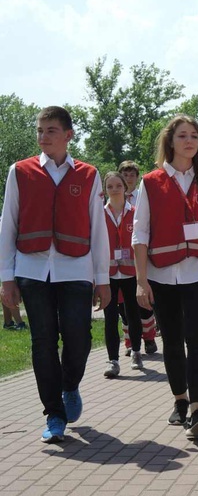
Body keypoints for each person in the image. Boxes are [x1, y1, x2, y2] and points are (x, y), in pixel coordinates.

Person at [0, 106, 111, 443]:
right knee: (42, 342)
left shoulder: (89, 175)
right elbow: (8, 224)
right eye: (40, 130)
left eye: (50, 130)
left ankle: (70, 385)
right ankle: (54, 414)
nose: (43, 137)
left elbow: (98, 230)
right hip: (32, 270)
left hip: (76, 268)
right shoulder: (20, 171)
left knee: (79, 338)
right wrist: (6, 277)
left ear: (68, 135)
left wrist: (102, 279)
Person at [132, 114, 198, 440]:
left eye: (194, 136)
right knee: (172, 342)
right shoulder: (151, 182)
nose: (189, 141)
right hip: (162, 275)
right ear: (170, 142)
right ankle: (180, 400)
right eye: (182, 136)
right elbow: (140, 234)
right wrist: (141, 281)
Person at [101, 171, 144, 377]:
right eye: (110, 186)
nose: (115, 189)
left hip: (130, 272)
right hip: (108, 274)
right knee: (110, 317)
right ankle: (113, 360)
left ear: (125, 187)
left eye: (118, 185)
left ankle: (136, 351)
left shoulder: (135, 212)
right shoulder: (100, 214)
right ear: (105, 189)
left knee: (132, 315)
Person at [117, 160, 158, 356]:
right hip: (119, 259)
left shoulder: (142, 195)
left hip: (139, 255)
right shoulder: (112, 197)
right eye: (125, 174)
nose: (128, 178)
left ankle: (149, 339)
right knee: (123, 305)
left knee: (143, 302)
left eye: (132, 174)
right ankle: (130, 342)